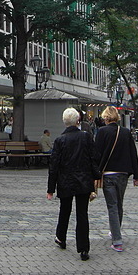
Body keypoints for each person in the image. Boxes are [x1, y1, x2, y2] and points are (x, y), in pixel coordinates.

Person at [47, 107, 99, 261]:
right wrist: (95, 176)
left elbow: (54, 166)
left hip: (65, 181)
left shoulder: (59, 140)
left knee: (65, 210)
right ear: (78, 121)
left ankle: (61, 237)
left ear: (64, 122)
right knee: (82, 214)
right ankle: (83, 248)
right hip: (83, 180)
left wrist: (51, 188)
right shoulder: (86, 137)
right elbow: (93, 157)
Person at [94, 106, 138, 252]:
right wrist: (137, 175)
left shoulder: (102, 132)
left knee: (112, 206)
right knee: (119, 204)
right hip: (123, 173)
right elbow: (133, 153)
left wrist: (94, 173)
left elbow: (97, 154)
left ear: (106, 117)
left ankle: (117, 240)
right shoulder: (126, 132)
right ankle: (116, 231)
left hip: (108, 174)